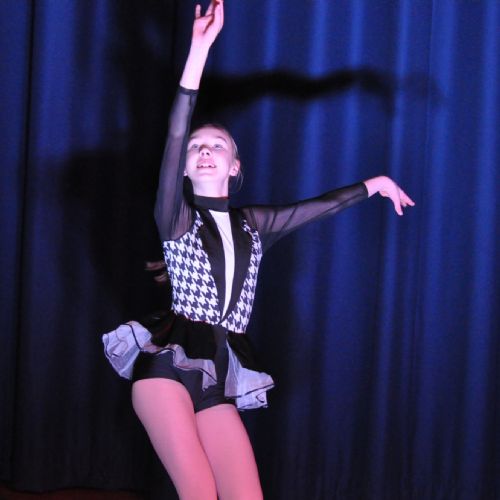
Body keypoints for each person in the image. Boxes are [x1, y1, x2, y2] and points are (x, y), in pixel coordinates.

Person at [128, 1, 415, 499]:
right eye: (196, 148)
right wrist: (199, 51)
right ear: (184, 169)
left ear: (235, 166)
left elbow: (314, 208)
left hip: (219, 375)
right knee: (199, 492)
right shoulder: (176, 218)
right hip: (166, 369)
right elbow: (176, 131)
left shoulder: (254, 225)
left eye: (217, 145)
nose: (204, 150)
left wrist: (374, 185)